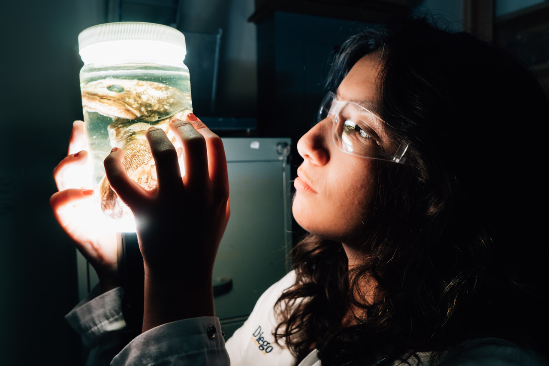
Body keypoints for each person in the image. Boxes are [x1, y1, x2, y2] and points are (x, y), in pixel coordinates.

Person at [51, 16, 549, 366]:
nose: (307, 142)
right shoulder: (299, 293)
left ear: (437, 184)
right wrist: (126, 275)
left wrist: (182, 283)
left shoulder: (485, 357)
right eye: (330, 113)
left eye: (356, 129)